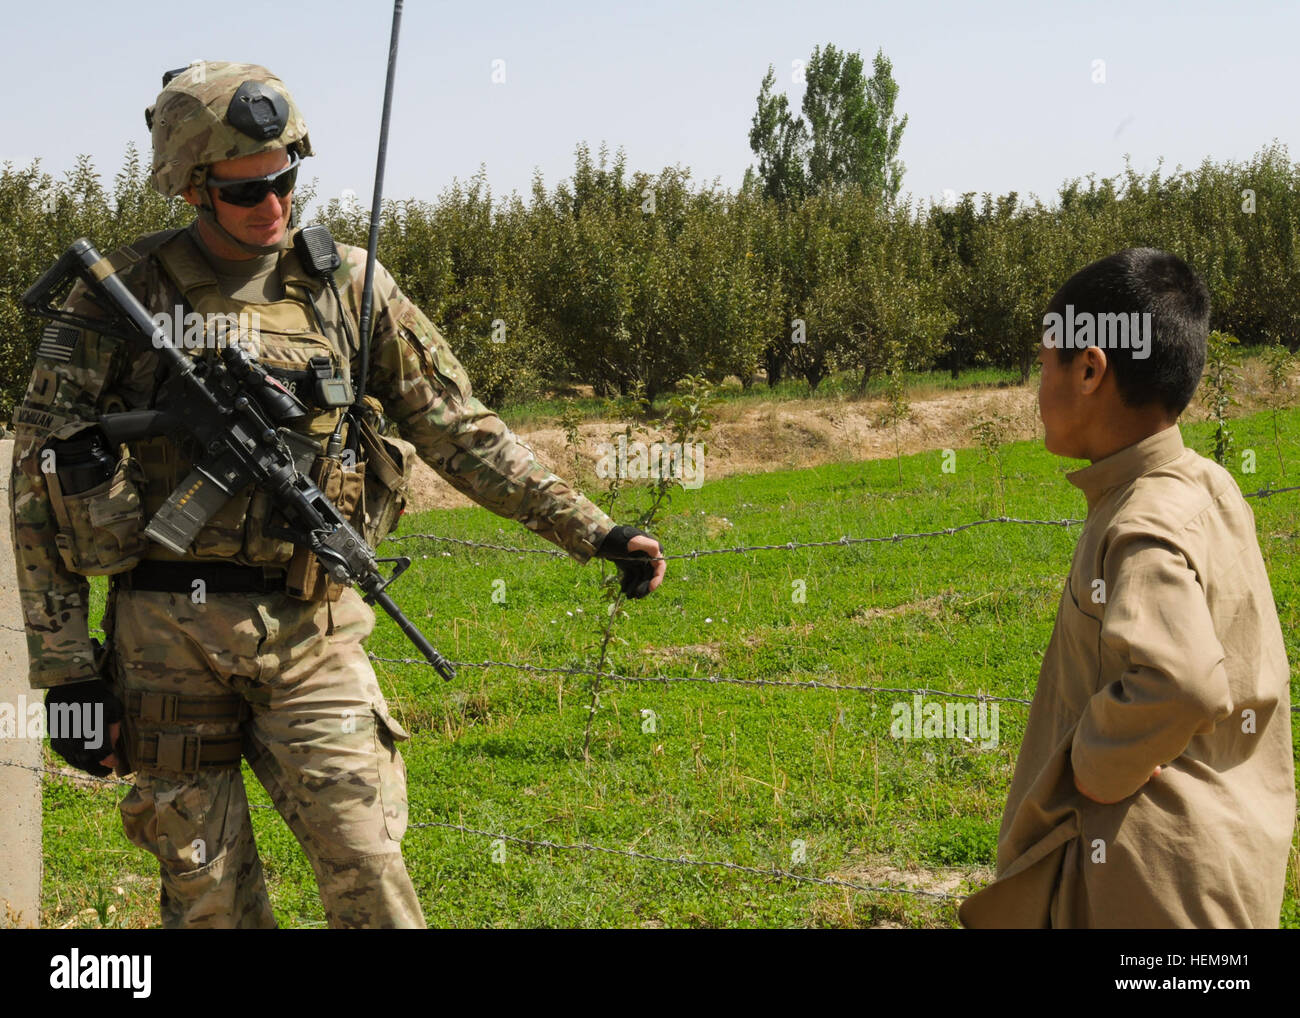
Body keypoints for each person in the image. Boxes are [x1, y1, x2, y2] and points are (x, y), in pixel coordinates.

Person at [8, 60, 665, 929]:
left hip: (314, 629)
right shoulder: (117, 298)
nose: (273, 205)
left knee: (369, 867)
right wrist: (68, 676)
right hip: (164, 637)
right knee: (205, 899)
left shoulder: (350, 286)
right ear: (193, 190)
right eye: (247, 192)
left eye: (287, 180)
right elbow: (37, 480)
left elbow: (460, 430)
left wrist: (594, 531)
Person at [958, 248, 1295, 928]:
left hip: (1144, 893)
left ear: (1089, 368)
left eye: (1045, 363)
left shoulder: (1141, 520)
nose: (1036, 388)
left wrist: (1091, 760)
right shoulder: (1207, 485)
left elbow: (1183, 682)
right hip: (1224, 868)